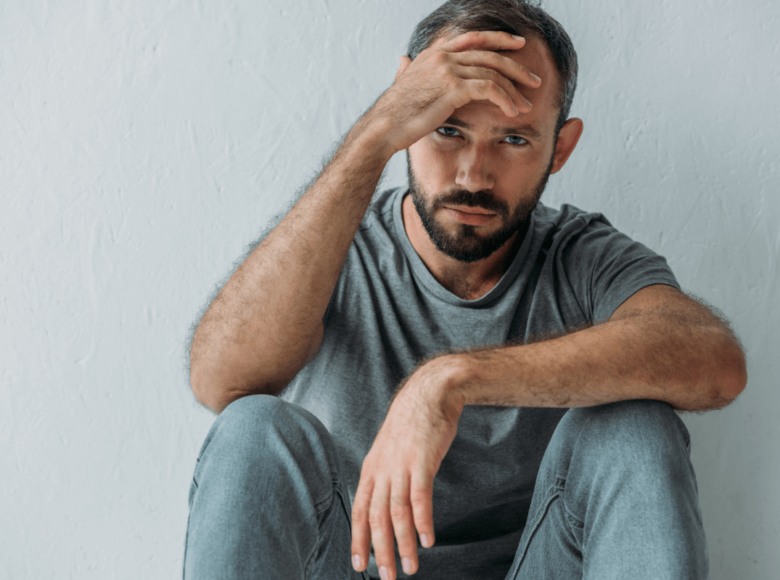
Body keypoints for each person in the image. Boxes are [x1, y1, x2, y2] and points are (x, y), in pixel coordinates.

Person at [183, 1, 747, 579]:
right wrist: (377, 132)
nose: (473, 175)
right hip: (351, 564)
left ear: (560, 148)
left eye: (513, 140)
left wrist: (450, 381)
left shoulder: (580, 255)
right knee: (255, 430)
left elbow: (714, 361)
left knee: (634, 427)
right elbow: (220, 380)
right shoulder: (333, 248)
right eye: (447, 128)